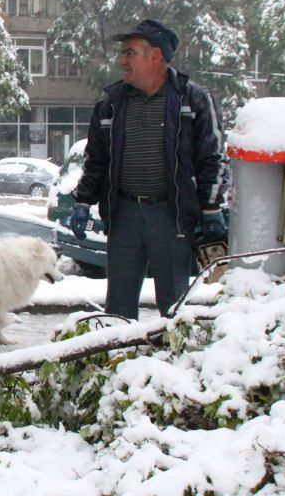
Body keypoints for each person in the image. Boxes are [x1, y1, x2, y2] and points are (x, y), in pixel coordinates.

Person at [70, 19, 227, 319]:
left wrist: (211, 207)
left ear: (155, 56)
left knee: (174, 307)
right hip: (124, 215)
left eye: (129, 53)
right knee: (118, 306)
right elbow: (96, 158)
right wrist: (83, 200)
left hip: (171, 215)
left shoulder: (192, 100)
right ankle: (118, 358)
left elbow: (213, 156)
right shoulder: (111, 104)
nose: (122, 60)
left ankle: (172, 360)